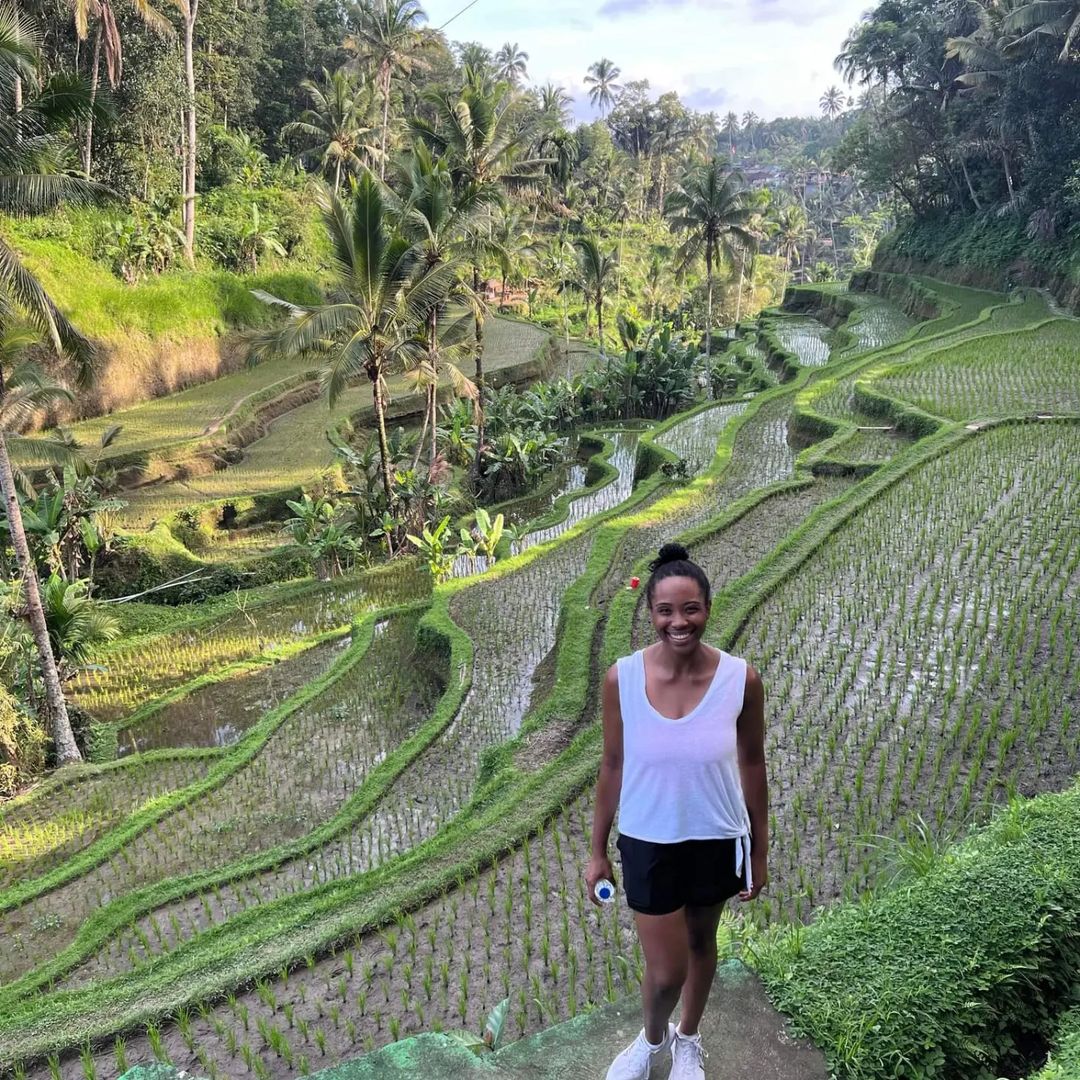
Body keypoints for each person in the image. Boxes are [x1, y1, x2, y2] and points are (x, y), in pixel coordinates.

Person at [586, 542, 768, 1080]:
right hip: (648, 839)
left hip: (717, 835)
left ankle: (688, 1039)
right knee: (666, 970)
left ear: (708, 608)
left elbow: (753, 763)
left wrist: (760, 851)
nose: (679, 622)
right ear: (651, 613)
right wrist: (597, 851)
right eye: (665, 610)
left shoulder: (741, 679)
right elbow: (612, 764)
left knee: (701, 942)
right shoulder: (622, 679)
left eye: (690, 609)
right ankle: (651, 1040)